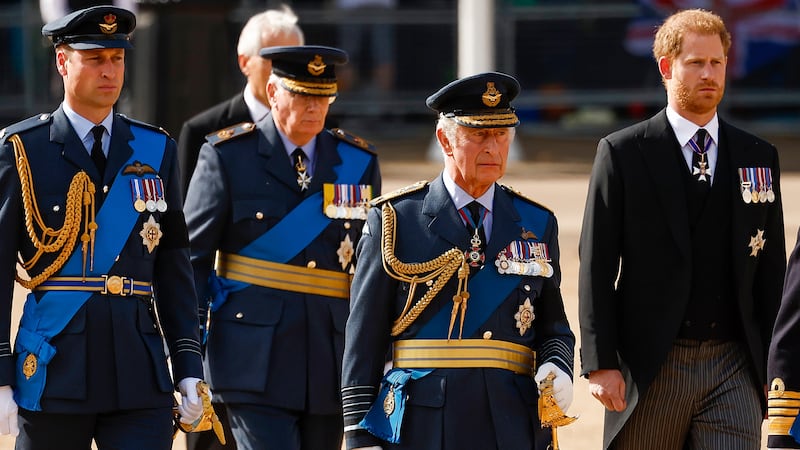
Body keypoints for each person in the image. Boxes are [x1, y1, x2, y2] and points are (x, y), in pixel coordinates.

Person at [0, 6, 207, 449]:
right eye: (94, 58)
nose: (109, 70)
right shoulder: (22, 150)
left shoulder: (156, 148)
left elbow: (174, 269)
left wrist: (189, 364)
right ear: (62, 61)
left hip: (138, 370)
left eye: (117, 58)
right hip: (55, 370)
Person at [579, 8, 786, 450]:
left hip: (734, 364)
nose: (708, 74)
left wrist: (778, 367)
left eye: (716, 63)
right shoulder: (623, 153)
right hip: (653, 363)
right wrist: (601, 362)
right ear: (667, 67)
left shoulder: (758, 155)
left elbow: (771, 274)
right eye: (696, 63)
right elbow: (596, 263)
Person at [340, 72, 575, 450]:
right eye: (479, 135)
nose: (493, 148)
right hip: (424, 422)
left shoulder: (536, 222)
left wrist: (557, 365)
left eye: (502, 135)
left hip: (509, 420)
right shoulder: (396, 219)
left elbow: (554, 325)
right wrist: (358, 433)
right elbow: (364, 335)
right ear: (444, 140)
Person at [184, 45, 381, 450]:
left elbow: (370, 270)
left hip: (330, 359)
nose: (315, 107)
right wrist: (189, 352)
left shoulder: (357, 161)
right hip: (250, 358)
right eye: (303, 95)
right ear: (273, 93)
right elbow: (191, 262)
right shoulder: (228, 156)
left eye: (323, 97)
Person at [177, 4, 304, 195]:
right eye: (274, 61)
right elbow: (188, 217)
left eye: (294, 62)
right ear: (245, 63)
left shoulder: (320, 128)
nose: (285, 73)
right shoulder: (203, 131)